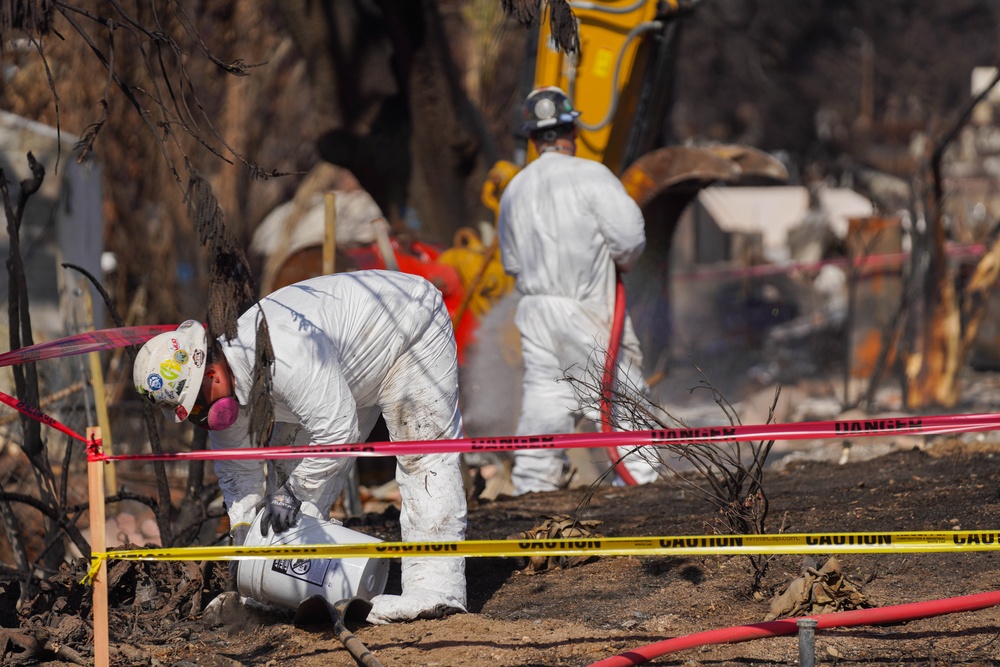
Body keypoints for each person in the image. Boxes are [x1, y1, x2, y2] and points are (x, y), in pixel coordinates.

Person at [132, 270, 467, 624]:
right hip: (344, 364)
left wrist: (292, 494)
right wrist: (245, 527)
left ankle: (437, 592)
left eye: (198, 405)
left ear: (211, 373)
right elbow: (237, 468)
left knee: (423, 454)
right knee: (289, 468)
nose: (203, 418)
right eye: (190, 413)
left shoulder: (283, 354)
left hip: (407, 327)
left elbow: (338, 432)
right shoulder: (232, 381)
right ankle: (289, 587)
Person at [497, 86, 660, 494]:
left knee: (545, 400)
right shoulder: (592, 175)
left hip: (535, 311)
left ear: (533, 139)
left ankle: (533, 491)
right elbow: (629, 238)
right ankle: (643, 489)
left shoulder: (514, 190)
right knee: (620, 395)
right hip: (584, 310)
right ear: (571, 130)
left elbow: (512, 264)